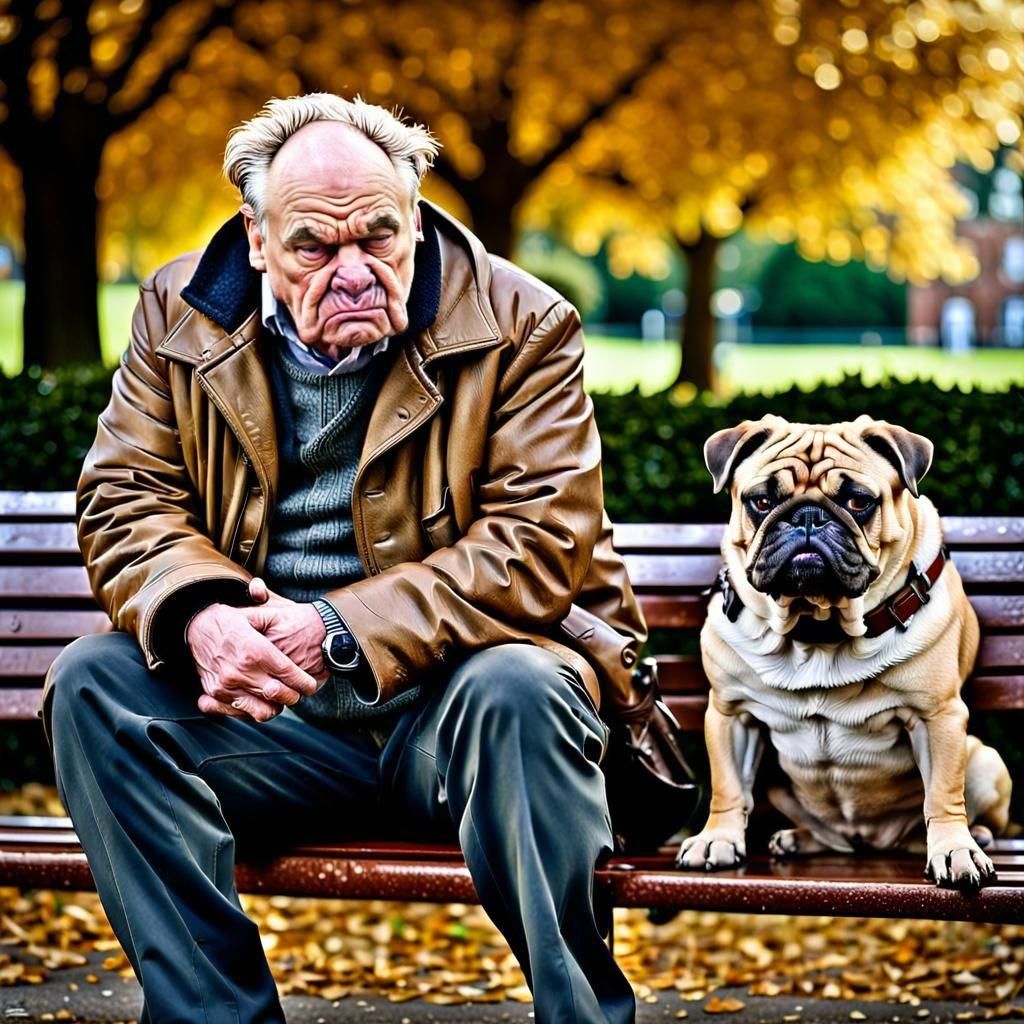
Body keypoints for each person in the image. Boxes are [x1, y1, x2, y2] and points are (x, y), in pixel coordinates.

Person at [44, 93, 649, 1024]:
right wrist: (200, 617)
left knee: (524, 687)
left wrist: (334, 628)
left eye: (379, 237)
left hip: (452, 725)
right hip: (270, 733)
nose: (356, 271)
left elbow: (538, 545)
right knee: (94, 682)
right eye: (315, 249)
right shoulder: (178, 310)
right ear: (256, 238)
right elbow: (125, 498)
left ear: (414, 218)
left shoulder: (526, 324)